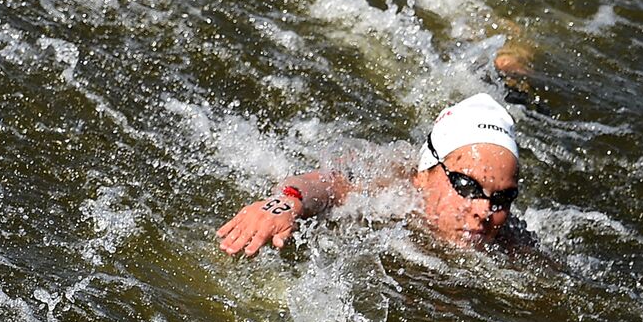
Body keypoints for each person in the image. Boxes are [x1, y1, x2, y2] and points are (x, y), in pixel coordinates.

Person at [216, 91, 535, 258]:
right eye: (467, 186)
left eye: (503, 198)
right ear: (425, 173)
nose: (484, 211)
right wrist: (286, 202)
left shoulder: (509, 244)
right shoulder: (390, 197)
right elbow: (326, 185)